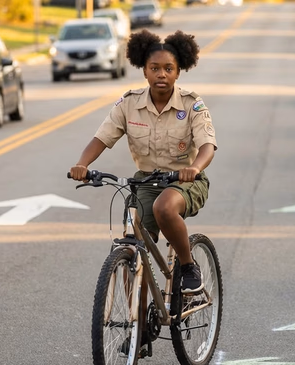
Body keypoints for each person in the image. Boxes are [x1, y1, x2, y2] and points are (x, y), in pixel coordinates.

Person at [69, 29, 216, 294]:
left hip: (186, 181)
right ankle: (137, 325)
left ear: (178, 71)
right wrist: (83, 164)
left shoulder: (192, 104)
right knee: (130, 246)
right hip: (146, 182)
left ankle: (187, 265)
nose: (162, 74)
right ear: (144, 71)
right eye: (155, 68)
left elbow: (207, 145)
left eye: (168, 68)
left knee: (164, 208)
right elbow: (102, 138)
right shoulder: (128, 104)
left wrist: (194, 168)